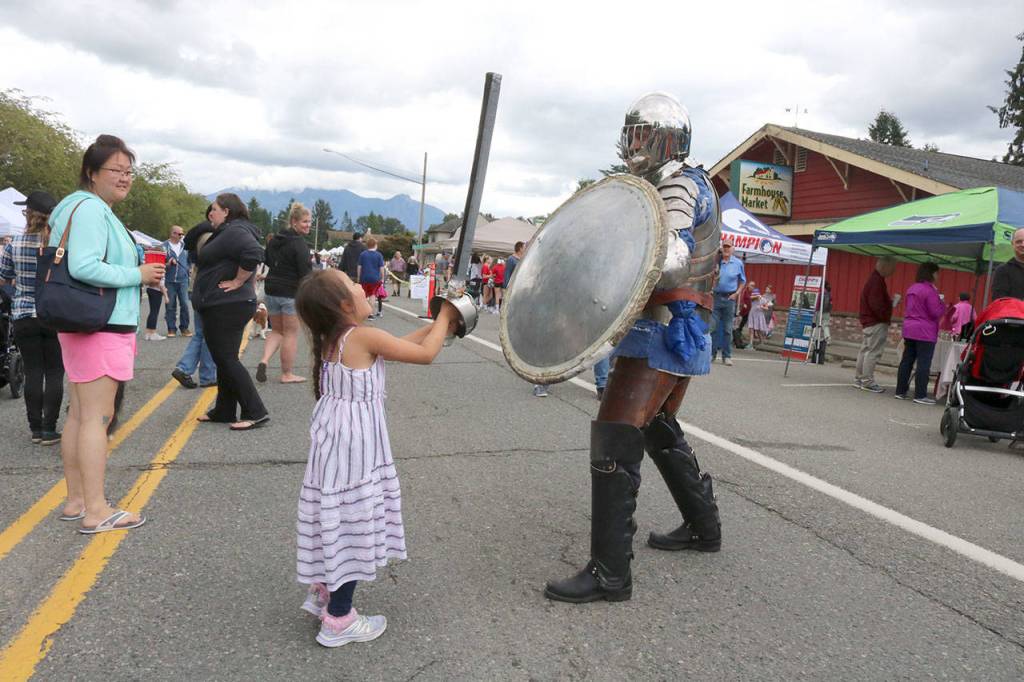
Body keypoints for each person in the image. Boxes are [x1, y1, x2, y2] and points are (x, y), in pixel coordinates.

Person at [545, 92, 720, 604]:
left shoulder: (678, 186)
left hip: (663, 329)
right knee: (657, 425)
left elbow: (669, 259)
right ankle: (702, 526)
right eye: (632, 133)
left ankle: (609, 573)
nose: (633, 144)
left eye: (643, 135)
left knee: (617, 432)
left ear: (667, 140)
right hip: (680, 325)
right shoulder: (677, 183)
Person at [293, 269, 458, 647]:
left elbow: (399, 344)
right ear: (345, 305)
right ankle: (339, 619)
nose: (362, 287)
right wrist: (446, 315)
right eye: (354, 285)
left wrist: (437, 325)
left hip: (335, 446)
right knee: (351, 523)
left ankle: (326, 591)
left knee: (334, 519)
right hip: (354, 449)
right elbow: (424, 355)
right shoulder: (361, 336)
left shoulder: (337, 337)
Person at [49, 134, 164, 533]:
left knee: (80, 415)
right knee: (97, 417)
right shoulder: (92, 210)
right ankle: (96, 509)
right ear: (91, 172)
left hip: (84, 322)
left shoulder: (73, 207)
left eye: (129, 171)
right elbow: (83, 265)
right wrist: (137, 274)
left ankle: (77, 500)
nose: (124, 177)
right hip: (102, 323)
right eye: (115, 170)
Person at [192, 193, 269, 430]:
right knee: (224, 358)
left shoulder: (236, 231)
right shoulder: (230, 230)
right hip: (226, 304)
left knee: (226, 358)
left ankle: (255, 411)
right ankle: (225, 409)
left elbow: (254, 253)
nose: (210, 214)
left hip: (226, 305)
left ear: (226, 211)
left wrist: (237, 281)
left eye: (214, 209)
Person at [0, 190, 63, 445]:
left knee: (34, 371)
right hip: (54, 313)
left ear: (28, 214)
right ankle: (50, 428)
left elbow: (4, 275)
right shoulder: (59, 244)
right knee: (55, 372)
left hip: (23, 312)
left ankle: (35, 429)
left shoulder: (13, 243)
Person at [256, 202, 313, 384]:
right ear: (294, 222)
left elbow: (268, 261)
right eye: (305, 222)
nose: (308, 225)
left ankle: (264, 360)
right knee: (290, 333)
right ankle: (287, 373)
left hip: (272, 288)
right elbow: (305, 274)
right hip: (290, 292)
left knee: (277, 330)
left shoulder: (275, 240)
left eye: (310, 222)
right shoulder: (299, 245)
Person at [171, 210, 217, 389]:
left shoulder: (197, 236)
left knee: (200, 332)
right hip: (208, 288)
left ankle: (185, 369)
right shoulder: (211, 237)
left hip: (197, 286)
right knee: (209, 334)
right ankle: (206, 375)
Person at [895, 263, 946, 404]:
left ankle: (900, 391)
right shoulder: (930, 291)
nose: (938, 276)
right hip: (925, 331)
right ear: (932, 274)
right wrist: (943, 304)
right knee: (924, 363)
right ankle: (920, 395)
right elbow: (935, 312)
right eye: (937, 273)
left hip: (910, 328)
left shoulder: (912, 288)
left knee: (907, 361)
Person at [855, 256, 897, 393]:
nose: (894, 271)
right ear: (885, 266)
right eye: (893, 267)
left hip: (869, 321)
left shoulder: (874, 280)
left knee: (865, 350)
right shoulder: (877, 282)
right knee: (873, 352)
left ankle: (859, 378)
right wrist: (886, 315)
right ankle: (867, 381)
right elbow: (876, 304)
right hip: (876, 322)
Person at [711, 242, 746, 366]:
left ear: (733, 249)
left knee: (727, 329)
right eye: (724, 247)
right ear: (721, 248)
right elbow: (710, 279)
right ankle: (712, 354)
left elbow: (743, 281)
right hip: (716, 297)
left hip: (730, 298)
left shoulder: (738, 263)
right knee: (713, 327)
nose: (726, 249)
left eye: (728, 247)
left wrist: (736, 294)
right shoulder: (716, 261)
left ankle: (727, 356)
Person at [163, 225, 191, 337]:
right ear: (173, 234)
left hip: (183, 280)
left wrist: (188, 269)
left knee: (184, 304)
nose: (181, 236)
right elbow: (159, 264)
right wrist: (168, 263)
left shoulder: (185, 246)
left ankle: (184, 328)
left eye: (182, 234)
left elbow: (189, 261)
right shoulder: (164, 247)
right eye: (179, 234)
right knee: (170, 305)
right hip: (169, 280)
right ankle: (171, 328)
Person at [991, 227, 1024, 299]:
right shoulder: (1002, 270)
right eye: (1019, 241)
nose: (1023, 244)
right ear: (1013, 244)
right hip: (1013, 310)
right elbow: (999, 302)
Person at [358, 237, 386, 319]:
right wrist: (383, 277)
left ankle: (363, 312)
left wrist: (359, 277)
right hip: (375, 278)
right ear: (375, 245)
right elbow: (381, 268)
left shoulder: (362, 254)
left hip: (364, 277)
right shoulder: (379, 255)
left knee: (364, 295)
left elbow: (359, 267)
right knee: (372, 295)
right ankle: (370, 313)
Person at [143, 270, 167, 341]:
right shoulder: (161, 270)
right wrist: (166, 296)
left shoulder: (153, 268)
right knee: (155, 312)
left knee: (152, 312)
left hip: (150, 289)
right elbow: (161, 284)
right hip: (157, 291)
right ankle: (153, 332)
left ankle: (148, 333)